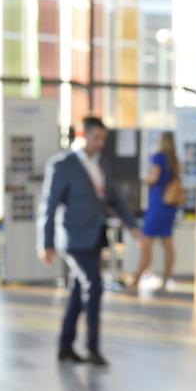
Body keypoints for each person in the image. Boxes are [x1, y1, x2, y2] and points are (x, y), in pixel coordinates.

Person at [37, 116, 142, 366]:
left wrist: (133, 226)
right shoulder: (62, 164)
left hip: (95, 236)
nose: (101, 143)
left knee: (78, 291)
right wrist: (46, 243)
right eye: (97, 138)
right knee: (93, 285)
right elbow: (48, 207)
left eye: (104, 139)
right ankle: (92, 347)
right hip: (73, 239)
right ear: (83, 135)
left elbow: (114, 199)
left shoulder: (102, 164)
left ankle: (65, 346)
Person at [131, 131, 181, 292]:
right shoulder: (174, 161)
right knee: (168, 245)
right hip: (169, 208)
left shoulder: (158, 157)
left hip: (157, 206)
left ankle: (135, 281)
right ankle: (165, 281)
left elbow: (153, 178)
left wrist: (143, 179)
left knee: (146, 245)